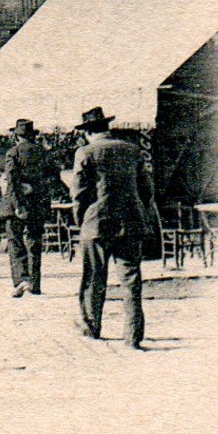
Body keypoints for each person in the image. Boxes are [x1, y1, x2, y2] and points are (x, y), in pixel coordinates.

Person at [72, 106, 154, 348]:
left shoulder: (85, 152)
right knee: (131, 279)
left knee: (94, 277)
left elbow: (79, 193)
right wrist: (142, 214)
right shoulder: (132, 151)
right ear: (107, 127)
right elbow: (147, 190)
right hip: (130, 222)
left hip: (96, 223)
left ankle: (91, 327)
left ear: (87, 131)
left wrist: (81, 220)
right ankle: (133, 336)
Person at [2, 118, 57, 298]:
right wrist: (35, 188)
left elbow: (12, 180)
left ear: (16, 137)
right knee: (35, 241)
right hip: (37, 204)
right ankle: (35, 283)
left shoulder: (13, 153)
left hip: (15, 205)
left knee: (15, 241)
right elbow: (53, 178)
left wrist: (18, 204)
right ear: (33, 136)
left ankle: (20, 280)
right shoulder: (44, 153)